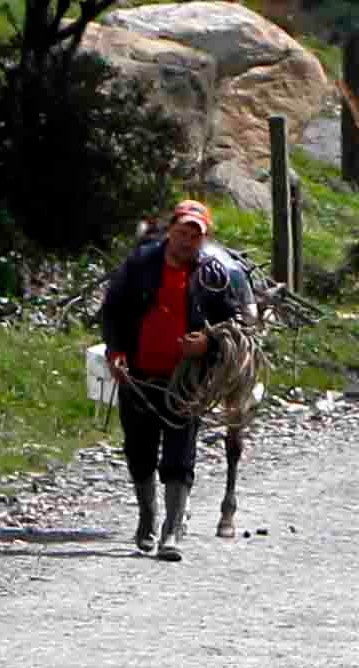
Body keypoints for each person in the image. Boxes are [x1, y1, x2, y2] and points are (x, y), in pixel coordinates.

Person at [102, 199, 251, 561]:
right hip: (137, 373)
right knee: (139, 451)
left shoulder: (213, 276)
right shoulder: (139, 266)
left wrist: (208, 342)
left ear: (204, 239)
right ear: (171, 231)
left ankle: (172, 529)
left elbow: (232, 324)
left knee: (179, 453)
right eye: (182, 232)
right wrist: (116, 352)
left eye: (194, 236)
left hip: (186, 380)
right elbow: (113, 310)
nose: (187, 241)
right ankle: (147, 518)